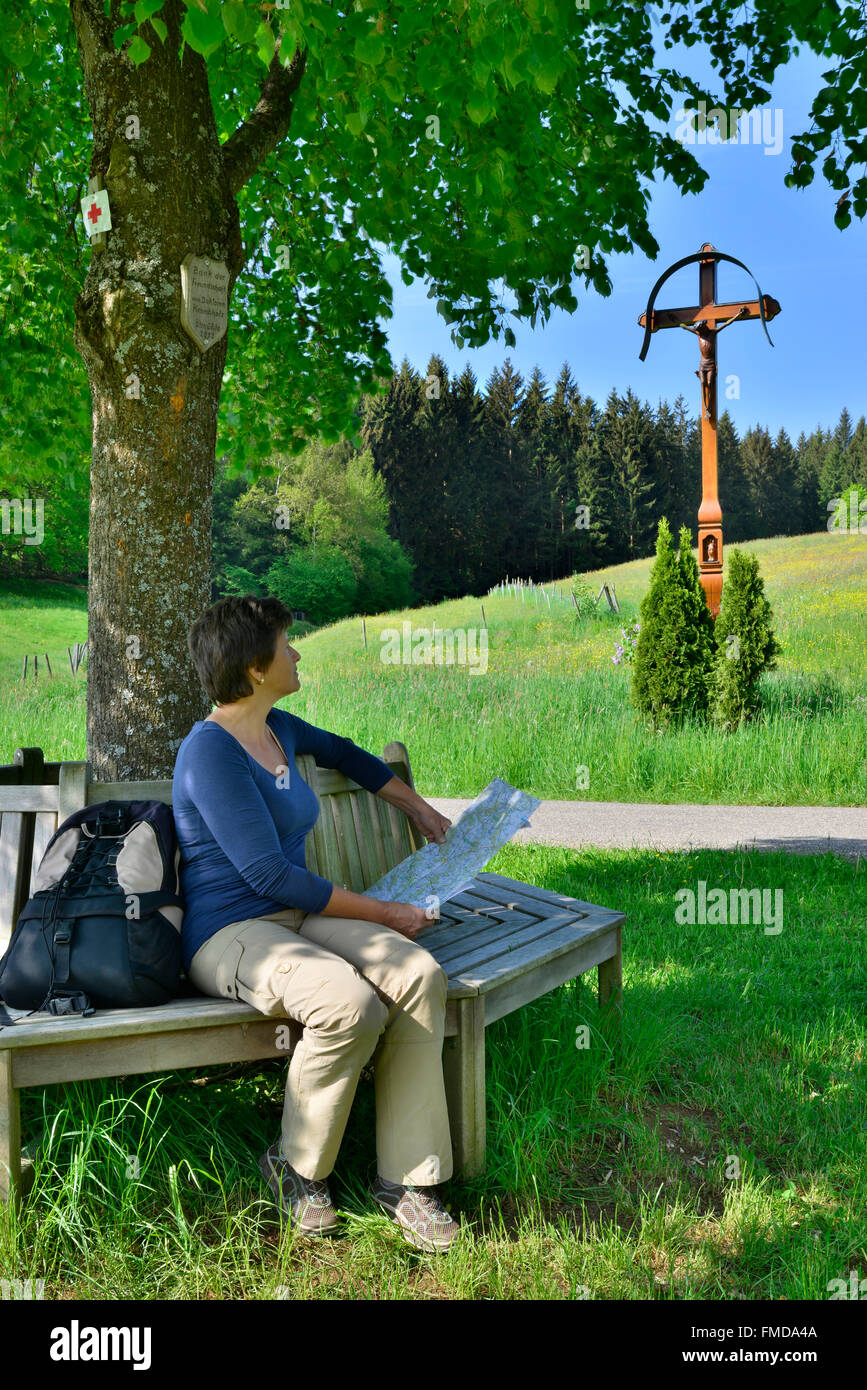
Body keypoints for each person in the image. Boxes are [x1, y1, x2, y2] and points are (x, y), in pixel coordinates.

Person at [173, 594, 461, 1253]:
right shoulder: (210, 752)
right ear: (253, 666)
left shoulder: (280, 729)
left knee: (415, 972)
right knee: (347, 1003)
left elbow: (351, 755)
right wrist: (386, 912)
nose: (297, 653)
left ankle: (408, 1182)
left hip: (299, 918)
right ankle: (296, 1169)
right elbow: (267, 877)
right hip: (229, 934)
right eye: (285, 644)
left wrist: (414, 807)